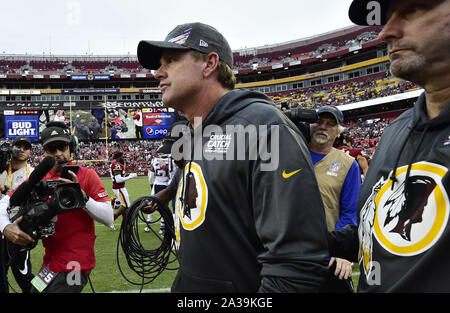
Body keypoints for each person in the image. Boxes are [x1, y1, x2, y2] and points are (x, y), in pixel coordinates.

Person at [137, 22, 330, 292]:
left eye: (171, 60)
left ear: (209, 63)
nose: (158, 72)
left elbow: (296, 264)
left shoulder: (264, 127)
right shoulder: (196, 134)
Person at [327, 0, 450, 292]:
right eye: (386, 18)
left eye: (412, 10)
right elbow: (371, 235)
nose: (385, 32)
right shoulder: (396, 131)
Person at [0, 121, 113, 293]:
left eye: (62, 147)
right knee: (33, 291)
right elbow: (4, 203)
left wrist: (82, 196)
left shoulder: (87, 175)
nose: (59, 153)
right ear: (44, 152)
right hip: (50, 263)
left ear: (70, 147)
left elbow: (108, 217)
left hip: (76, 263)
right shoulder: (39, 177)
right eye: (52, 150)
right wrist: (6, 227)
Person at [308, 106, 361, 292]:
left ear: (337, 132)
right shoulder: (291, 155)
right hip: (288, 253)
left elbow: (350, 213)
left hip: (328, 257)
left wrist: (340, 251)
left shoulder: (348, 164)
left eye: (330, 124)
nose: (323, 127)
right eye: (319, 122)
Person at [0, 136, 35, 293]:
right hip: (0, 230)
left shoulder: (33, 173)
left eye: (25, 147)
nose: (21, 150)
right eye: (17, 146)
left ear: (30, 152)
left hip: (18, 231)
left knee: (24, 276)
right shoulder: (1, 168)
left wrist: (4, 189)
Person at [110, 150, 137, 226]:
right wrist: (130, 177)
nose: (123, 157)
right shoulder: (116, 165)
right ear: (119, 156)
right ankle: (113, 220)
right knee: (126, 205)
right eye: (122, 156)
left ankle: (126, 222)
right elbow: (118, 180)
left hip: (120, 187)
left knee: (125, 205)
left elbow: (121, 176)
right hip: (119, 187)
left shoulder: (117, 164)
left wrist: (129, 174)